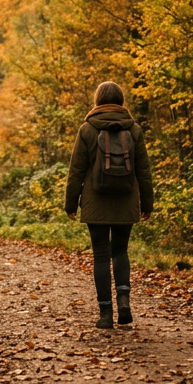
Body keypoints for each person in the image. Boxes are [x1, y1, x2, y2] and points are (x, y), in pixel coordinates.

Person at [64, 81, 154, 329]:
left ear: (98, 100)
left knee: (101, 256)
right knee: (121, 251)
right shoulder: (134, 128)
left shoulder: (87, 129)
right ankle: (124, 299)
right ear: (121, 100)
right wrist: (147, 202)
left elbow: (77, 170)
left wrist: (71, 203)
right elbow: (143, 170)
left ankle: (105, 314)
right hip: (126, 199)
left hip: (96, 201)